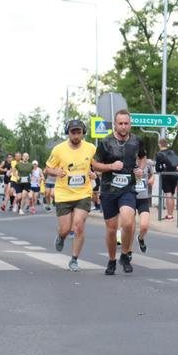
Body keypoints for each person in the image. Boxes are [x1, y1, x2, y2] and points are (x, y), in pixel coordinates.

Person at [92, 109, 147, 275]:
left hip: (128, 188)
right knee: (111, 228)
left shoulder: (137, 141)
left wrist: (141, 169)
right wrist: (110, 166)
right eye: (120, 123)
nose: (123, 126)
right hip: (109, 190)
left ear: (130, 124)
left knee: (129, 222)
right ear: (115, 124)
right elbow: (95, 164)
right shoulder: (105, 142)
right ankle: (111, 260)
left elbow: (142, 157)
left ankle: (124, 254)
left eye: (126, 123)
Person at [45, 119, 97, 272]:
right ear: (68, 133)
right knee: (66, 229)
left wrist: (95, 174)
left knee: (79, 226)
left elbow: (97, 166)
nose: (75, 135)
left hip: (83, 193)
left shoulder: (91, 148)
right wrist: (57, 172)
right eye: (73, 132)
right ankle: (61, 236)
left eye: (78, 132)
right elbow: (47, 169)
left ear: (83, 133)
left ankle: (74, 259)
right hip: (63, 194)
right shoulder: (58, 150)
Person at [133, 155, 155, 254]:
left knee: (144, 226)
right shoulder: (128, 161)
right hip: (129, 198)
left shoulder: (148, 162)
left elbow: (153, 174)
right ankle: (128, 252)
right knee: (130, 228)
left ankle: (140, 238)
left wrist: (152, 179)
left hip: (143, 198)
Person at [155, 138, 178, 220]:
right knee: (172, 194)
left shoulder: (159, 154)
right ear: (166, 144)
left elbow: (157, 168)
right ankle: (171, 214)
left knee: (168, 194)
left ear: (159, 144)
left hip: (166, 175)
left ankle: (169, 215)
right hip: (175, 175)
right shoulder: (172, 152)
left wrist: (161, 170)